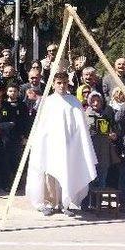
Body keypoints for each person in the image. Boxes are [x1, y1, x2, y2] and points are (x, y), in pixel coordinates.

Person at [26, 72, 97, 216]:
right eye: (59, 83)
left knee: (67, 171)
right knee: (50, 173)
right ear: (53, 84)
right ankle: (51, 203)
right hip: (51, 144)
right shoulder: (48, 101)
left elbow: (80, 127)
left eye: (64, 83)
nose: (62, 86)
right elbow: (42, 125)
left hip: (69, 145)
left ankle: (65, 203)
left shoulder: (74, 101)